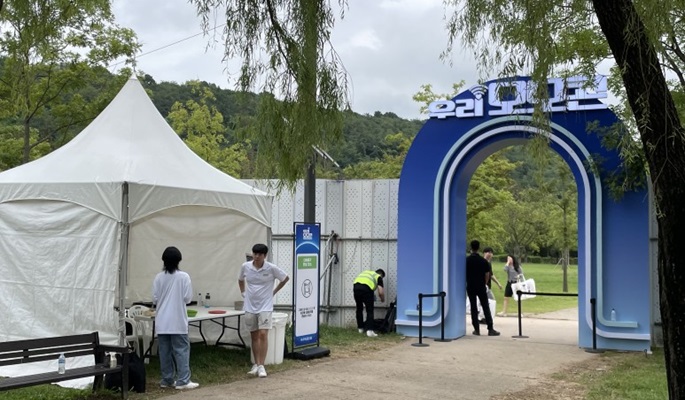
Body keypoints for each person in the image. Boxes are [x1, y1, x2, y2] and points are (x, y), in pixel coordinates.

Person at [239, 243, 289, 378]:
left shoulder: (271, 268)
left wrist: (274, 292)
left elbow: (285, 278)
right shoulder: (246, 266)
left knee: (263, 334)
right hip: (250, 306)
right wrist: (243, 293)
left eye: (260, 254)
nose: (256, 256)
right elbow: (240, 279)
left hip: (265, 306)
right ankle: (256, 364)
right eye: (255, 254)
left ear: (265, 256)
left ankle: (262, 365)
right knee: (254, 335)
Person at [152, 246, 199, 390]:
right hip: (178, 320)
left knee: (164, 352)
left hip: (162, 322)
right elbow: (187, 298)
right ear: (179, 261)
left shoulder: (158, 277)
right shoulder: (184, 277)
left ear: (163, 261)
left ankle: (167, 380)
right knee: (181, 350)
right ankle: (183, 380)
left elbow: (155, 299)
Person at [466, 240, 500, 336]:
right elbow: (487, 274)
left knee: (473, 307)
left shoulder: (467, 260)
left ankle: (476, 329)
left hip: (471, 285)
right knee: (485, 306)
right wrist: (484, 283)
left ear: (471, 248)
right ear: (479, 248)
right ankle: (490, 328)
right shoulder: (483, 261)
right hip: (480, 285)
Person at [353, 268, 386, 337]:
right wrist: (382, 299)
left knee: (359, 308)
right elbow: (380, 292)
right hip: (366, 289)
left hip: (356, 287)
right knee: (369, 310)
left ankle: (360, 329)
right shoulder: (378, 277)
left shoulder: (367, 272)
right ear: (381, 275)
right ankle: (369, 331)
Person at [479, 247, 502, 324]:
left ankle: (484, 318)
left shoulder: (489, 263)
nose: (490, 254)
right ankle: (486, 318)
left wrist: (498, 283)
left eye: (491, 253)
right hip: (483, 286)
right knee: (491, 301)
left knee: (487, 302)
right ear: (484, 253)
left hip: (486, 286)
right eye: (488, 252)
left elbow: (491, 275)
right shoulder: (481, 262)